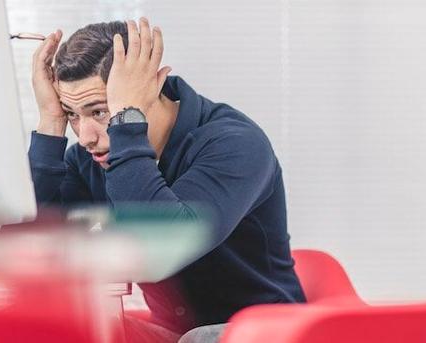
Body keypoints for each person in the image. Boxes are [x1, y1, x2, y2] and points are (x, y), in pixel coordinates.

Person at [29, 18, 306, 343]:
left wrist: (125, 119)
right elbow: (23, 255)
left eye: (100, 112)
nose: (86, 136)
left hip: (267, 332)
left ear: (149, 89)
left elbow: (156, 251)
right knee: (66, 333)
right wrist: (50, 122)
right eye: (73, 115)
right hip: (172, 335)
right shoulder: (88, 159)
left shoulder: (234, 144)